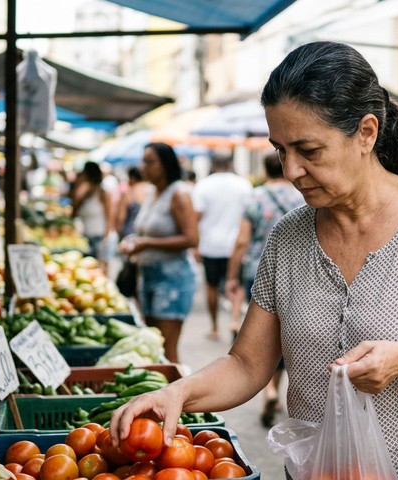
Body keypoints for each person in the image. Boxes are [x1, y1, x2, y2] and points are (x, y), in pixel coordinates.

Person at [110, 42, 398, 479]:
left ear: (366, 133)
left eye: (308, 150)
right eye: (280, 150)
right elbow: (247, 365)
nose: (291, 170)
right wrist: (177, 394)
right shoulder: (288, 238)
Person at [225, 150, 305, 427]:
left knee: (262, 332)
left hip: (257, 271)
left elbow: (241, 241)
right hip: (295, 272)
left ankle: (268, 390)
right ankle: (273, 389)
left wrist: (232, 275)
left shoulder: (255, 197)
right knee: (283, 334)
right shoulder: (300, 196)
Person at [120, 143, 198, 364]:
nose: (143, 167)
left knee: (165, 349)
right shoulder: (153, 192)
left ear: (166, 164)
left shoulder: (179, 193)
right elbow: (147, 230)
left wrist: (146, 244)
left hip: (172, 281)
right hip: (147, 277)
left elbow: (192, 238)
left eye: (150, 162)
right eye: (143, 161)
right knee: (152, 346)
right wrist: (134, 240)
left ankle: (177, 387)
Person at [191, 152, 253, 340]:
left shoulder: (203, 185)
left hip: (210, 244)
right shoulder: (243, 185)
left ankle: (214, 326)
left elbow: (196, 217)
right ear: (230, 164)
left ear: (213, 164)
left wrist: (195, 245)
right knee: (237, 285)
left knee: (212, 286)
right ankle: (234, 321)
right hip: (236, 244)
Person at [72, 162, 114, 260]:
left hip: (98, 236)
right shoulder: (85, 193)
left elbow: (110, 216)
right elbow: (75, 208)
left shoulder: (103, 193)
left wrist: (106, 238)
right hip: (85, 236)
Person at [116, 167, 151, 238]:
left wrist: (118, 232)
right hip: (148, 232)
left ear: (132, 178)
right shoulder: (151, 190)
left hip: (130, 233)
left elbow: (121, 217)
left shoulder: (128, 193)